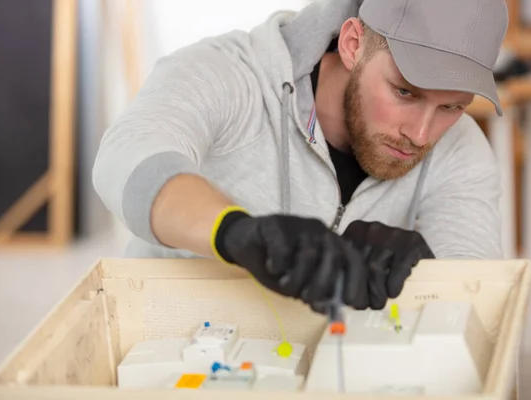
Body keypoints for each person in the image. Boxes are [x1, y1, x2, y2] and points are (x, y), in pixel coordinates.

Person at [92, 0, 508, 313]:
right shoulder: (233, 74)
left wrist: (425, 272)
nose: (420, 134)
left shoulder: (460, 150)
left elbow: (473, 295)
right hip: (173, 349)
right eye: (405, 92)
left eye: (452, 107)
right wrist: (235, 232)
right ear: (352, 44)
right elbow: (126, 158)